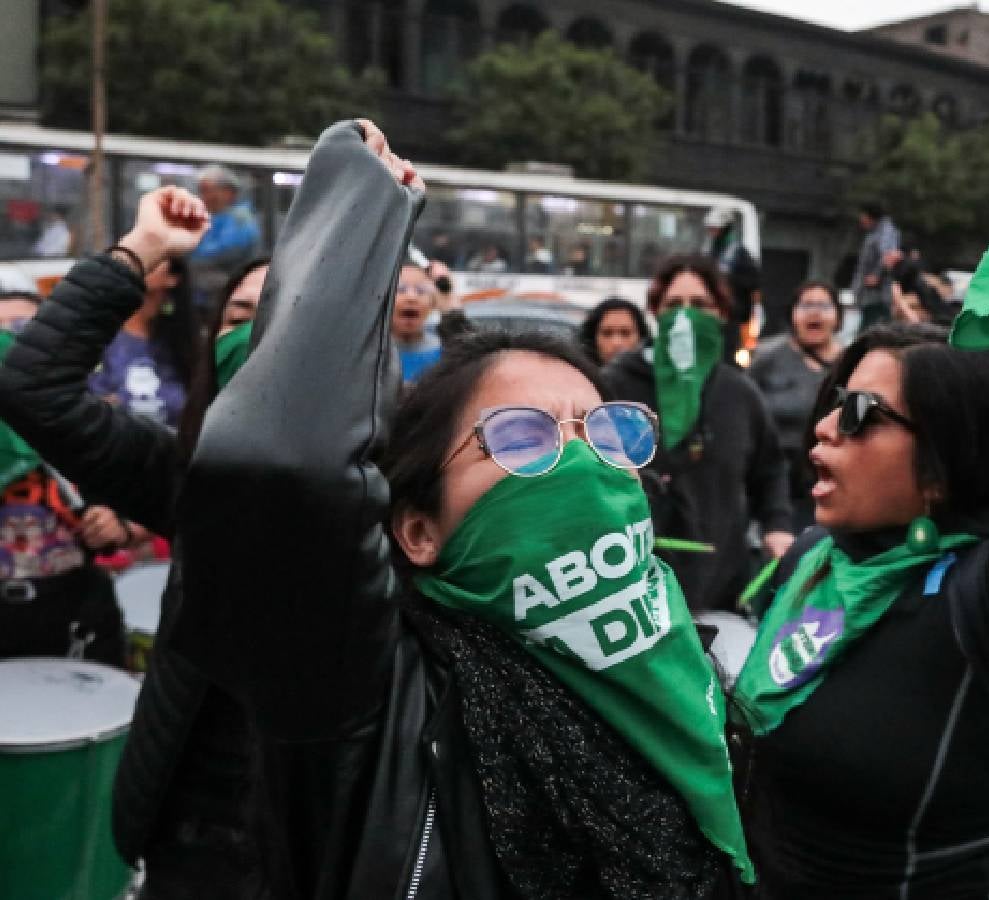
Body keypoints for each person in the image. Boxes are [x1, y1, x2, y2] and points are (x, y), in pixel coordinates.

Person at [171, 120, 753, 899]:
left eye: (601, 432)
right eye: (518, 437)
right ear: (418, 529)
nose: (578, 462)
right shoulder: (369, 690)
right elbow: (285, 463)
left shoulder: (688, 666)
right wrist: (361, 210)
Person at [728, 186, 989, 898]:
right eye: (830, 404)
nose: (824, 429)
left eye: (859, 414)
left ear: (946, 462)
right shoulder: (811, 559)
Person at [0, 199, 276, 899]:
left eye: (291, 312)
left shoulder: (409, 488)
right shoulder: (188, 478)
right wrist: (142, 247)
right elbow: (34, 387)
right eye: (241, 316)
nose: (263, 333)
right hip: (202, 841)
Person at [605, 254, 793, 613]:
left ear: (721, 314)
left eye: (700, 305)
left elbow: (770, 471)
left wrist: (777, 527)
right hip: (631, 595)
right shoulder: (615, 385)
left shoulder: (740, 393)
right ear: (655, 312)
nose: (686, 315)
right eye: (674, 304)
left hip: (719, 590)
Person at [0, 288, 130, 666]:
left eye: (24, 330)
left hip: (76, 611)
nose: (9, 344)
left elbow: (160, 502)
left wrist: (118, 525)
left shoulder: (96, 418)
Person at [750, 281, 844, 531]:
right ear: (792, 314)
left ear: (838, 316)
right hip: (772, 486)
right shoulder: (766, 356)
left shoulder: (852, 362)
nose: (814, 313)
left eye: (823, 306)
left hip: (828, 483)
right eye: (806, 305)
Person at [88, 256, 197, 429]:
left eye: (153, 258)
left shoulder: (185, 343)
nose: (138, 265)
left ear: (172, 278)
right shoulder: (97, 333)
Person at [190, 165, 262, 308]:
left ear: (228, 192)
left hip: (228, 292)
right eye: (201, 191)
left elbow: (223, 253)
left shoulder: (241, 220)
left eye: (208, 190)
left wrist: (186, 248)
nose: (204, 197)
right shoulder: (213, 217)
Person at [703, 206, 760, 364]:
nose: (712, 233)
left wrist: (730, 281)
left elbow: (752, 281)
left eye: (716, 229)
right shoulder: (710, 250)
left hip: (731, 315)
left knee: (728, 356)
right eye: (711, 229)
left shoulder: (739, 253)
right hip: (711, 313)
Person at [851, 201, 900, 334]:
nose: (861, 219)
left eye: (863, 215)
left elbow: (890, 256)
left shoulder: (885, 231)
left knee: (872, 331)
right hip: (869, 295)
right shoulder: (875, 232)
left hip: (876, 295)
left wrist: (877, 275)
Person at [391, 261, 441, 384]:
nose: (411, 297)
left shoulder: (446, 352)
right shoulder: (368, 353)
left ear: (433, 303)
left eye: (421, 290)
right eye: (400, 289)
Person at [580, 297, 650, 367]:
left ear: (640, 338)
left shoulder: (656, 375)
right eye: (607, 333)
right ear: (593, 338)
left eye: (626, 333)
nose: (616, 343)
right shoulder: (577, 375)